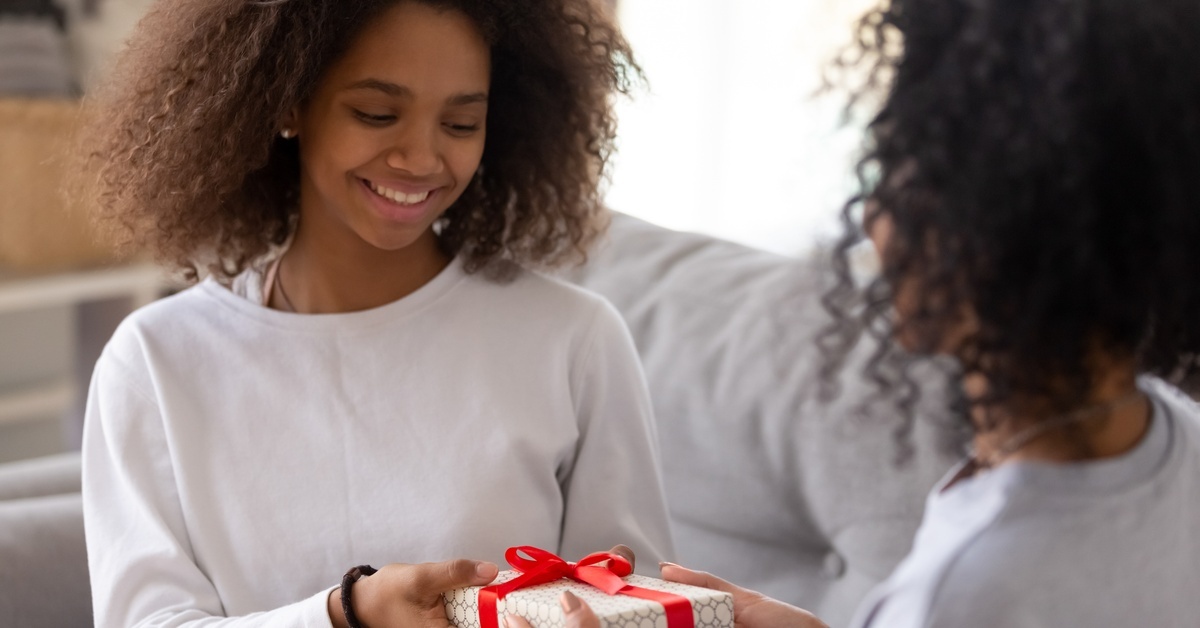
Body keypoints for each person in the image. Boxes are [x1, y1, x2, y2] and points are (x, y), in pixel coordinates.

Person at [511, 0, 1200, 626]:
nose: (872, 219)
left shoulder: (967, 588)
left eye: (905, 181)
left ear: (1011, 236)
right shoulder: (1178, 436)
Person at [77, 0, 675, 626]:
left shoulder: (574, 341)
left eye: (462, 124)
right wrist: (345, 616)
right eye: (377, 113)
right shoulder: (156, 361)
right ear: (287, 103)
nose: (420, 158)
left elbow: (641, 599)